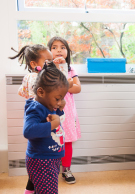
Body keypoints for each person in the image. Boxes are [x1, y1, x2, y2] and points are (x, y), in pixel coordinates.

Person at [9, 44, 53, 194]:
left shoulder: (27, 77)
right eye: (47, 61)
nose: (50, 64)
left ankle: (30, 188)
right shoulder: (41, 77)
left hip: (31, 114)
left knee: (35, 151)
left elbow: (21, 92)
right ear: (34, 64)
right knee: (40, 152)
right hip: (41, 116)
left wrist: (28, 93)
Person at [23, 63, 69, 194]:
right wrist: (52, 125)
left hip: (50, 157)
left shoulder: (48, 104)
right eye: (57, 98)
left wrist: (59, 110)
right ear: (41, 92)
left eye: (62, 99)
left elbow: (55, 120)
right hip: (42, 160)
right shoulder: (35, 109)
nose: (60, 102)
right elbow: (28, 131)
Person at [48, 36, 81, 184]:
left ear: (67, 52)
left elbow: (77, 88)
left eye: (62, 47)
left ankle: (66, 169)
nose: (59, 50)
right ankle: (50, 170)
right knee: (50, 141)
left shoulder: (70, 69)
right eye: (54, 47)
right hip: (50, 111)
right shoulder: (46, 68)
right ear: (49, 52)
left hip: (67, 113)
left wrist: (65, 84)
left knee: (66, 141)